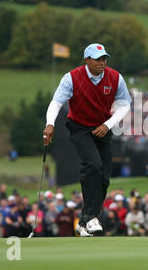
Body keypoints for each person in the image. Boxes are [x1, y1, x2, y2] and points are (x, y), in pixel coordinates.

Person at [43, 43, 131, 237]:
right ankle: (91, 218)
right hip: (79, 127)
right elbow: (56, 102)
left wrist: (107, 125)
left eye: (104, 58)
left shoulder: (115, 77)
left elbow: (125, 106)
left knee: (104, 178)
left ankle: (84, 222)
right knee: (92, 164)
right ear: (87, 60)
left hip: (103, 128)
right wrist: (50, 124)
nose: (102, 62)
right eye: (98, 59)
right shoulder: (71, 78)